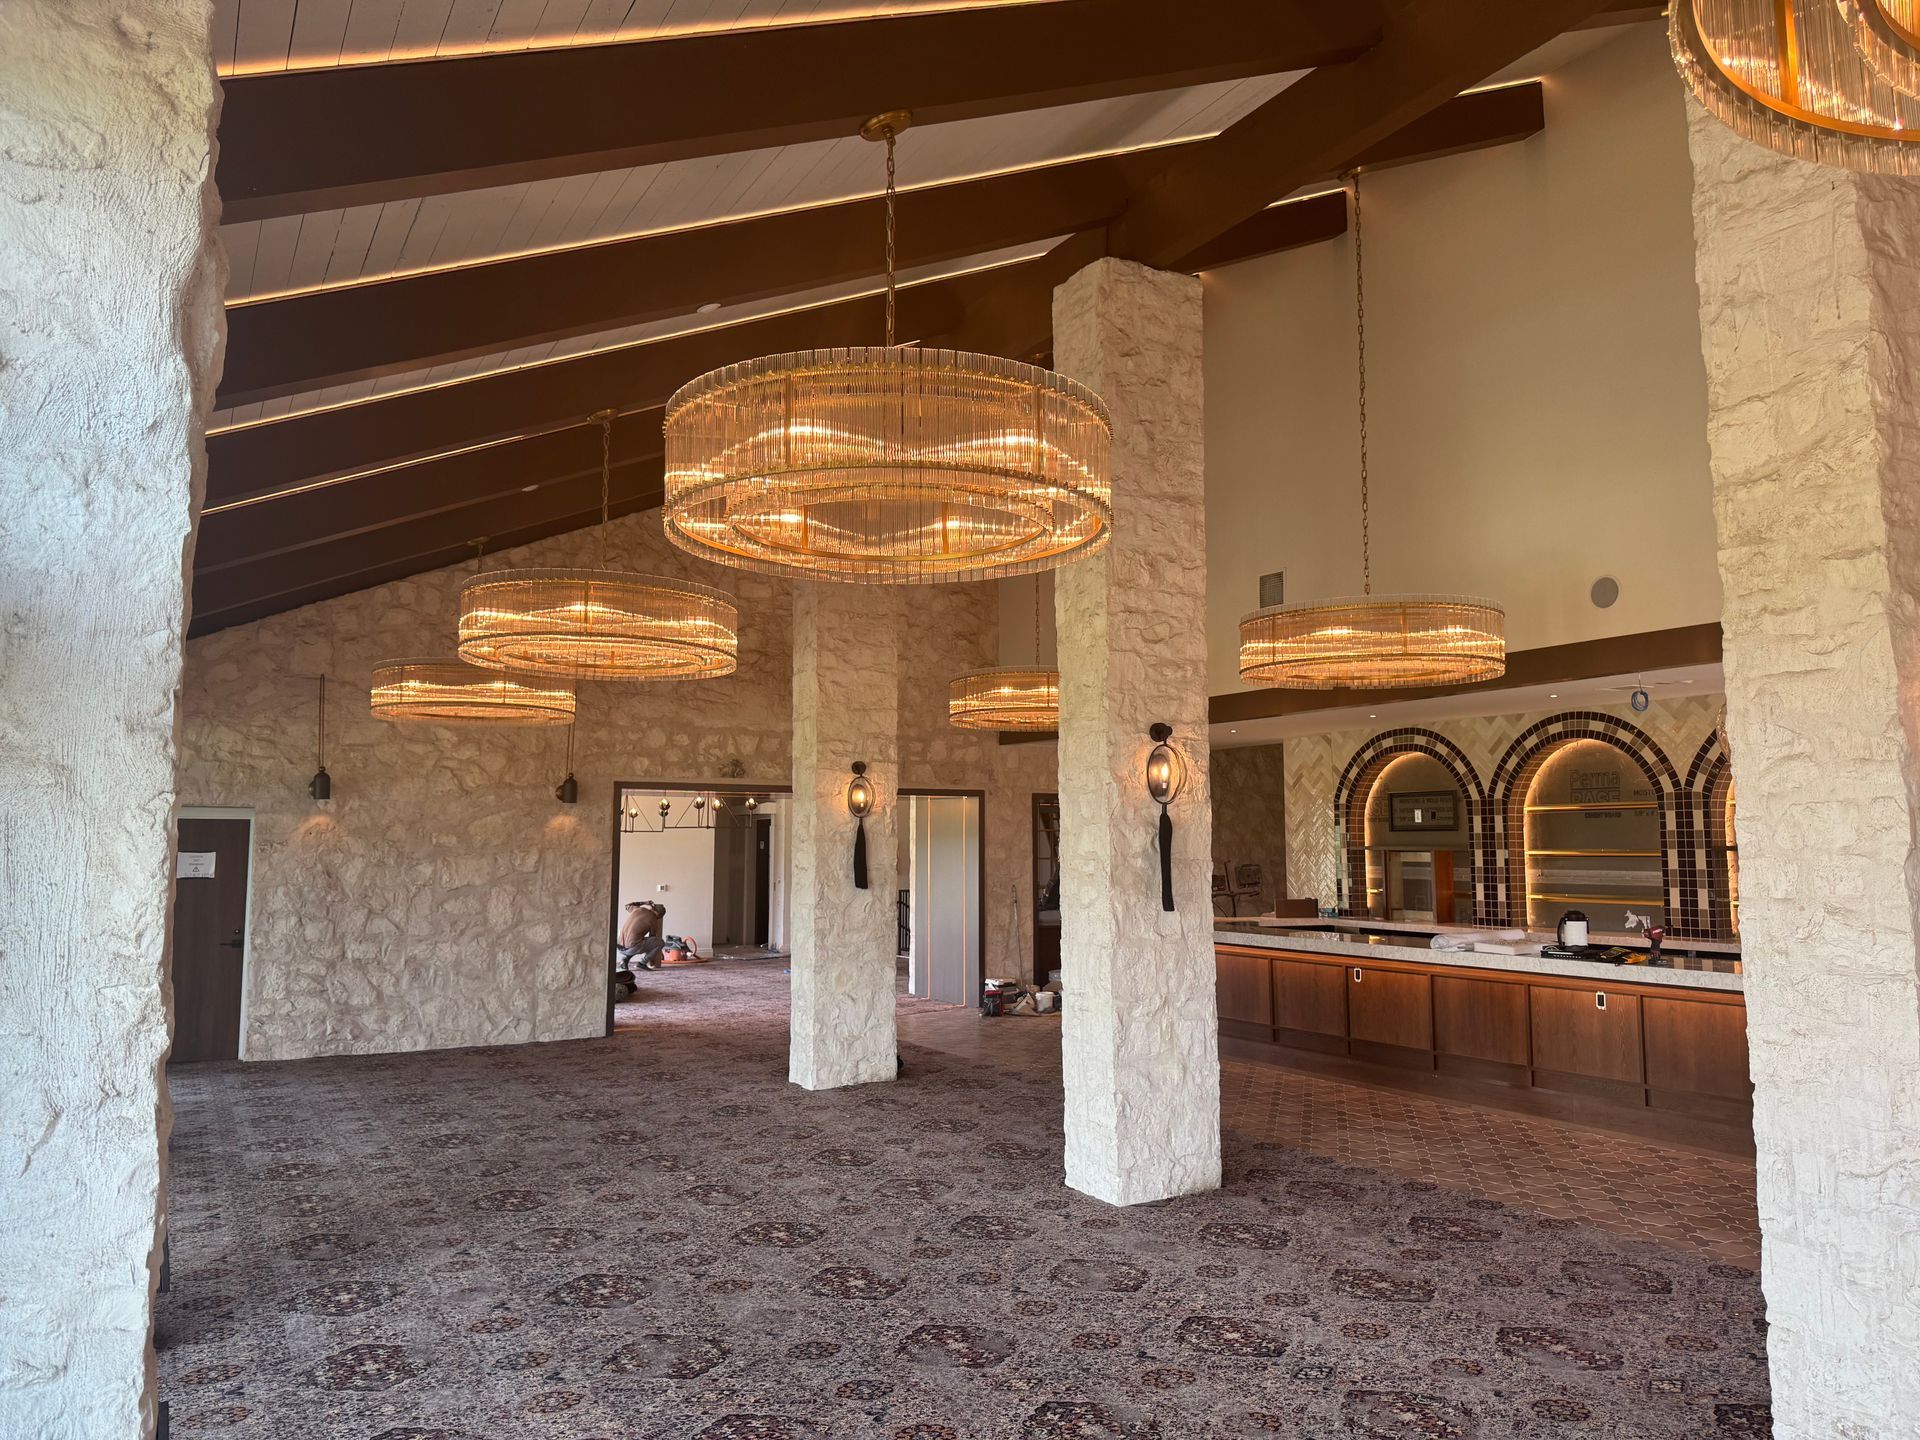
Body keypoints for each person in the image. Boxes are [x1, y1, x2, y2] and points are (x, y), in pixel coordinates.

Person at [618, 900, 667, 972]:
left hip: (619, 947)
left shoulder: (638, 909)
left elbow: (627, 906)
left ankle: (625, 959)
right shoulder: (653, 919)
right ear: (659, 915)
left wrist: (644, 903)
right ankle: (642, 963)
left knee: (637, 940)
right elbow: (652, 938)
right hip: (632, 948)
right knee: (660, 942)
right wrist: (652, 958)